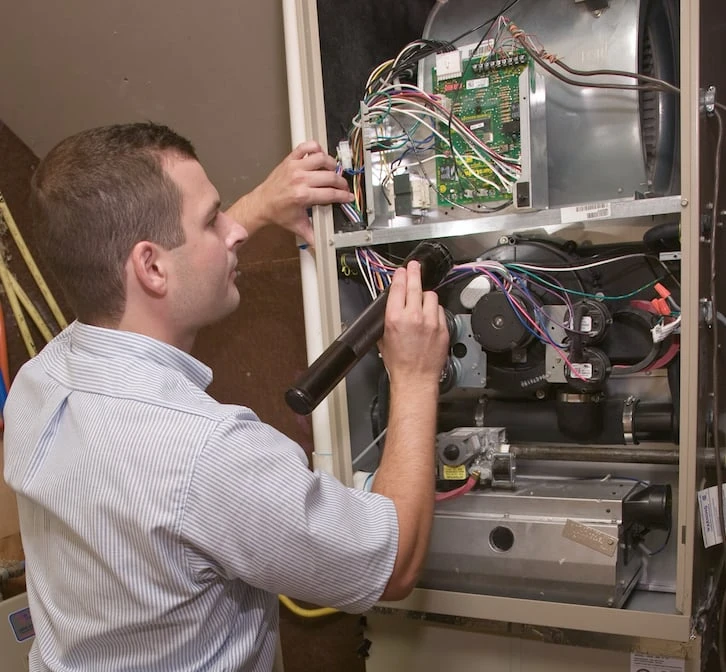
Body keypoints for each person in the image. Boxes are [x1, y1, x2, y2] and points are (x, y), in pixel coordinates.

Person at [3, 122, 449, 671]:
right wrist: (415, 374)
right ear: (150, 266)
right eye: (212, 221)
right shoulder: (209, 452)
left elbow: (155, 298)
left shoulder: (40, 380)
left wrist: (255, 207)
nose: (231, 232)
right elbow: (394, 561)